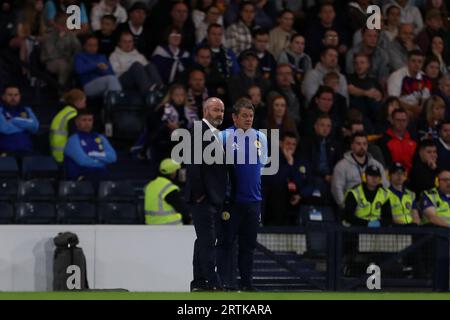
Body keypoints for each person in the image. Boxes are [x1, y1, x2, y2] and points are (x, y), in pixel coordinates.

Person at [218, 97, 267, 291]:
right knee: (226, 243)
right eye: (244, 116)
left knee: (248, 246)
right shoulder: (223, 137)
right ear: (234, 117)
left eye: (251, 116)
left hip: (253, 201)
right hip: (232, 201)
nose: (248, 119)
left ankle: (246, 283)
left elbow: (261, 166)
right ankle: (224, 282)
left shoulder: (260, 138)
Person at [185, 97, 227, 292]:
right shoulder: (198, 130)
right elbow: (193, 164)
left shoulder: (214, 133)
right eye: (216, 110)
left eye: (221, 111)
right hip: (204, 198)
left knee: (202, 241)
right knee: (208, 241)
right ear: (205, 111)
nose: (220, 114)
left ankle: (199, 283)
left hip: (212, 197)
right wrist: (199, 193)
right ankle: (213, 282)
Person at [262, 131, 314, 226]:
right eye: (288, 143)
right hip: (277, 197)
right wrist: (289, 163)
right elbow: (274, 181)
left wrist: (300, 195)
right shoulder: (272, 160)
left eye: (293, 144)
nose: (291, 147)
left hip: (297, 196)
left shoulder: (301, 160)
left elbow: (310, 183)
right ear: (281, 144)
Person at [332, 131, 388, 208]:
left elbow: (385, 186)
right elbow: (336, 188)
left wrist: (382, 206)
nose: (362, 147)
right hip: (352, 207)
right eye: (358, 144)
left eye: (364, 144)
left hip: (374, 208)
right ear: (352, 146)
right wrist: (344, 207)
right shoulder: (341, 166)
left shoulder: (376, 165)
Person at [64, 109, 117, 181]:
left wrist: (92, 154)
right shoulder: (73, 140)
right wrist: (102, 160)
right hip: (80, 178)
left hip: (101, 174)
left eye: (90, 120)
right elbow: (83, 161)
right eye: (84, 120)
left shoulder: (100, 137)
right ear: (77, 122)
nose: (87, 123)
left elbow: (113, 157)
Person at [40, 12, 81, 89]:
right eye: (61, 24)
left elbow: (77, 50)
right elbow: (51, 54)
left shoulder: (71, 35)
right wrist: (61, 39)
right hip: (50, 61)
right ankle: (61, 91)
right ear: (55, 24)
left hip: (68, 60)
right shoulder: (50, 35)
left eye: (67, 24)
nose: (64, 27)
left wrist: (72, 58)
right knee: (63, 65)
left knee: (76, 63)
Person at [387, 50, 431, 119]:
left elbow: (425, 99)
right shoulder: (396, 76)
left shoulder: (424, 77)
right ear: (407, 62)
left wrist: (421, 109)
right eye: (413, 61)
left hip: (416, 109)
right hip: (399, 108)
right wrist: (413, 109)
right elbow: (393, 100)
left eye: (419, 62)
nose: (417, 64)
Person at [144, 158, 190, 225]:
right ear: (173, 172)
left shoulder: (150, 185)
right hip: (170, 227)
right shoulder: (169, 188)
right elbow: (183, 210)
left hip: (151, 226)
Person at [0, 84, 39, 155]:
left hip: (27, 151)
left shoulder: (27, 110)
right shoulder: (1, 110)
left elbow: (35, 127)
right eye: (10, 95)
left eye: (16, 95)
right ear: (3, 97)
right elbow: (5, 128)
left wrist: (13, 120)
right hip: (6, 152)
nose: (13, 98)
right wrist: (26, 126)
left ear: (20, 96)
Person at [50, 89, 86, 163]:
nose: (85, 104)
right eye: (84, 101)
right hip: (65, 156)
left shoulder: (63, 112)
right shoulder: (73, 114)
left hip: (57, 154)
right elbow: (74, 137)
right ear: (78, 101)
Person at [378, 107, 417, 172]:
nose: (401, 123)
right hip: (393, 174)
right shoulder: (384, 140)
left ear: (407, 122)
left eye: (404, 120)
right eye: (398, 120)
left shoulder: (413, 138)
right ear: (392, 121)